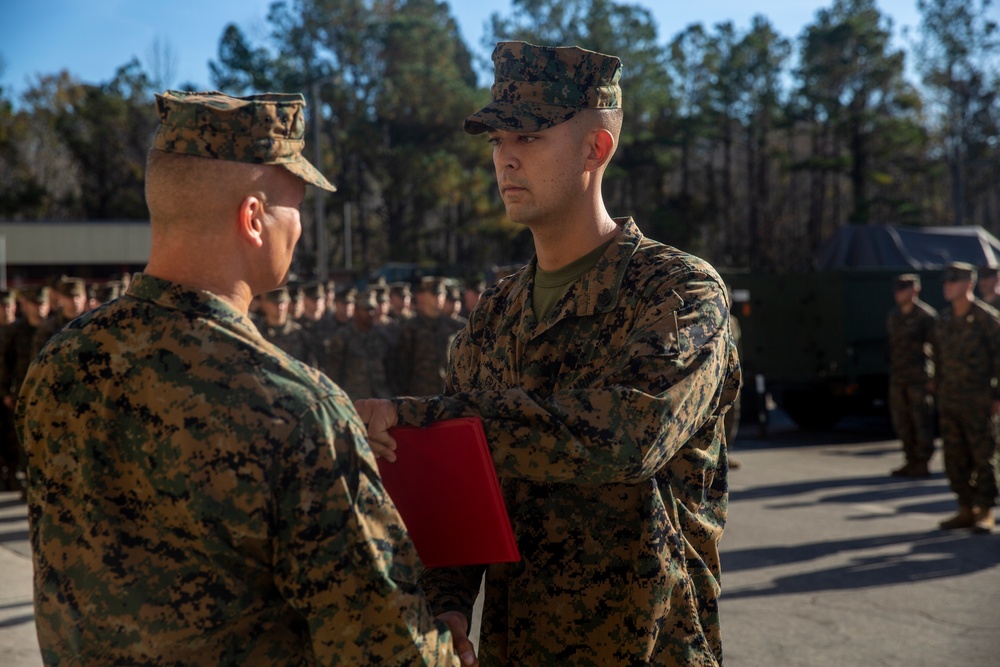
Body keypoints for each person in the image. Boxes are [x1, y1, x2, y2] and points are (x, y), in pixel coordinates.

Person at [16, 90, 469, 666]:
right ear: (253, 217)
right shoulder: (295, 408)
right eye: (297, 205)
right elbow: (391, 650)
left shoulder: (60, 362)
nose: (300, 228)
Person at [357, 41, 741, 666]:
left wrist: (422, 417)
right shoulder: (497, 313)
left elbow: (628, 436)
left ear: (596, 149)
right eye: (496, 141)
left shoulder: (678, 291)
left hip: (648, 649)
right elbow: (464, 487)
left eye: (529, 138)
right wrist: (448, 603)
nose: (505, 158)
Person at [933, 262, 1000, 534]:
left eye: (954, 281)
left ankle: (985, 511)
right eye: (946, 282)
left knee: (983, 456)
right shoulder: (944, 319)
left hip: (979, 401)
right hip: (950, 401)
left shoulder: (987, 319)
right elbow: (938, 359)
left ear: (968, 284)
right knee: (954, 458)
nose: (947, 286)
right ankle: (965, 508)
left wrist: (998, 396)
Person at [886, 273, 937, 477]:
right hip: (899, 378)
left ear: (914, 290)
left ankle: (922, 462)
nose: (898, 294)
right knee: (902, 421)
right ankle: (910, 460)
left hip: (919, 378)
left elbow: (936, 348)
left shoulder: (926, 316)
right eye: (897, 289)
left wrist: (933, 378)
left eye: (903, 289)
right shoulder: (893, 315)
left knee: (921, 421)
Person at [392, 276, 466, 397]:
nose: (439, 298)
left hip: (449, 395)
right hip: (420, 395)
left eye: (442, 294)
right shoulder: (411, 327)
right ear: (421, 296)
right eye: (434, 294)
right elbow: (402, 364)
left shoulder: (456, 327)